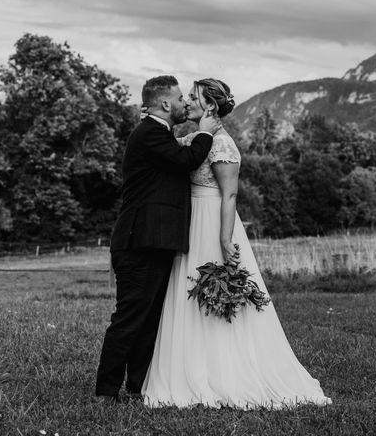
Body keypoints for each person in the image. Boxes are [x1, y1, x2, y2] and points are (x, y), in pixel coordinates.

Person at [142, 78, 331, 409]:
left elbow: (229, 194)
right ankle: (186, 368)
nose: (187, 101)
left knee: (213, 294)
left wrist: (225, 239)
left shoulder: (224, 144)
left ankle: (224, 372)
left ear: (210, 106)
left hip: (213, 222)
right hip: (190, 221)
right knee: (188, 294)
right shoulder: (192, 137)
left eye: (194, 97)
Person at [95, 75, 221, 403]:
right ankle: (106, 391)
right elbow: (187, 160)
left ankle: (138, 386)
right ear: (165, 104)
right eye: (180, 99)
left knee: (149, 319)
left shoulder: (158, 133)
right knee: (130, 317)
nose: (183, 103)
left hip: (155, 242)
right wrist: (206, 130)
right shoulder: (150, 133)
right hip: (140, 243)